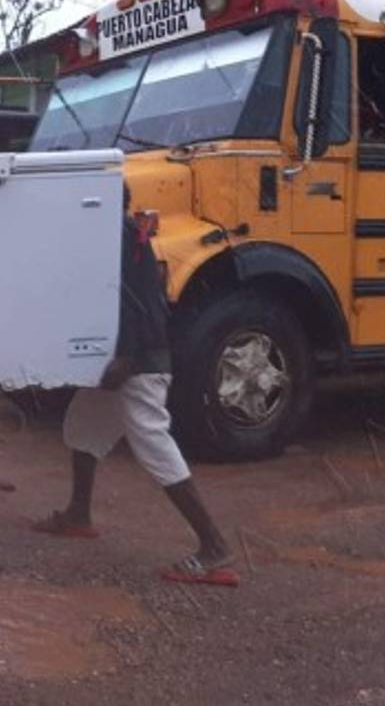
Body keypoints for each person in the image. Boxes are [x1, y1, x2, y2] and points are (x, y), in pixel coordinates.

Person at [34, 183, 237, 587]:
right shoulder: (124, 234)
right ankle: (78, 513)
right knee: (84, 425)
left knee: (152, 442)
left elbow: (134, 302)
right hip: (128, 357)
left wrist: (126, 357)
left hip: (138, 362)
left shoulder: (122, 239)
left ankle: (214, 547)